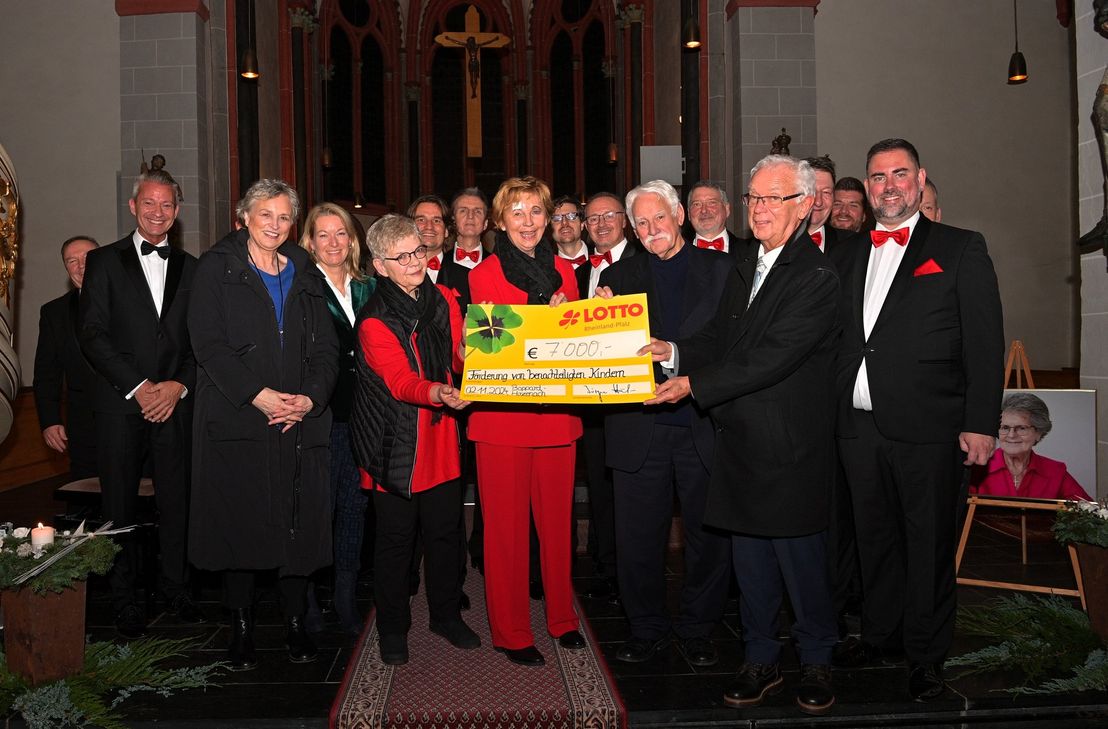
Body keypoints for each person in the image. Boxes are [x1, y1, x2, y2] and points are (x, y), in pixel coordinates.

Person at [642, 155, 840, 716]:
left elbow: (769, 359)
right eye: (753, 198)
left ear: (802, 207)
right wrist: (673, 351)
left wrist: (691, 385)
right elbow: (720, 337)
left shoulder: (816, 275)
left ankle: (818, 658)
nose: (758, 209)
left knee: (799, 561)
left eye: (771, 199)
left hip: (788, 446)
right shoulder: (746, 262)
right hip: (738, 440)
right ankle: (760, 657)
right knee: (750, 561)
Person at [829, 139, 1004, 701]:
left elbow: (983, 341)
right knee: (873, 540)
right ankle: (881, 635)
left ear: (920, 178)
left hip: (931, 428)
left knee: (927, 543)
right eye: (877, 177)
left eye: (899, 174)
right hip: (859, 428)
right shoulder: (848, 253)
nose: (888, 186)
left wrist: (982, 422)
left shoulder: (958, 248)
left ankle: (927, 655)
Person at [187, 179, 339, 671]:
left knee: (297, 526)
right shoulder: (216, 268)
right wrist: (259, 395)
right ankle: (242, 629)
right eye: (264, 215)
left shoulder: (305, 271)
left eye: (283, 217)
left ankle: (295, 623)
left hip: (297, 421)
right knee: (241, 526)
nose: (274, 225)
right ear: (243, 218)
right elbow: (207, 344)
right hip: (239, 418)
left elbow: (326, 350)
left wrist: (310, 398)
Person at [596, 180, 732, 667]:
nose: (652, 229)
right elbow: (598, 352)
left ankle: (698, 629)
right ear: (632, 230)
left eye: (659, 218)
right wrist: (576, 320)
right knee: (637, 539)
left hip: (703, 423)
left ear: (680, 214)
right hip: (638, 427)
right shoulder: (618, 277)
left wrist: (676, 357)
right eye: (642, 223)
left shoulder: (725, 269)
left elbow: (732, 346)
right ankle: (646, 628)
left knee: (708, 538)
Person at [350, 214, 479, 666]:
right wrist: (438, 392)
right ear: (379, 266)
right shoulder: (372, 321)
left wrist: (490, 352)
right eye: (401, 256)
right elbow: (400, 382)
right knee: (395, 543)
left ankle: (445, 615)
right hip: (393, 445)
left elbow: (465, 354)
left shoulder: (444, 297)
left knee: (446, 535)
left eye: (418, 251)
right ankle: (392, 628)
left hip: (441, 439)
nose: (414, 262)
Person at [468, 175, 585, 666]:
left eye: (537, 211)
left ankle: (562, 618)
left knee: (558, 527)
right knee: (506, 531)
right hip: (503, 423)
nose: (529, 222)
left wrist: (583, 316)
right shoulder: (483, 274)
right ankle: (511, 629)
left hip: (558, 419)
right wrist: (541, 313)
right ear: (500, 220)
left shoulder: (567, 271)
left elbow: (578, 350)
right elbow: (487, 349)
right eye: (517, 212)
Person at [79, 169, 201, 639]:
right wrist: (140, 387)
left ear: (177, 210)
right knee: (119, 508)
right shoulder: (103, 261)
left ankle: (178, 589)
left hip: (175, 403)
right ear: (133, 207)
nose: (157, 212)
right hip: (121, 404)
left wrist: (175, 387)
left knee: (177, 502)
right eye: (149, 203)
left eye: (166, 205)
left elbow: (202, 343)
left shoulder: (193, 267)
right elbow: (92, 334)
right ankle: (125, 600)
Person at [298, 202, 376, 635]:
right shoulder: (300, 289)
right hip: (318, 417)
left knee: (353, 508)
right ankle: (309, 597)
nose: (333, 242)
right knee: (316, 509)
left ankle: (345, 596)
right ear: (309, 242)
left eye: (341, 233)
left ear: (353, 239)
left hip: (361, 417)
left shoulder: (369, 287)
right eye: (323, 234)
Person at [577, 190, 638, 602]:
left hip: (629, 394)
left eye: (609, 216)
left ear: (624, 221)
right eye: (593, 219)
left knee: (626, 487)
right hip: (589, 396)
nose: (600, 224)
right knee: (597, 480)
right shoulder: (582, 271)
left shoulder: (642, 262)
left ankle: (625, 569)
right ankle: (604, 561)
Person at [35, 235, 100, 479]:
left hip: (136, 422)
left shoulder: (134, 302)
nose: (81, 266)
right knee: (86, 499)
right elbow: (46, 373)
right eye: (72, 261)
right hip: (84, 428)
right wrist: (50, 420)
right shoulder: (54, 312)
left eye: (87, 258)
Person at [970, 393, 1089, 500]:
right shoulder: (977, 468)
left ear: (1039, 432)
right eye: (1005, 428)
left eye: (1021, 428)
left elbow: (1089, 513)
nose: (1011, 435)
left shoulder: (1055, 471)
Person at [687, 181, 739, 254]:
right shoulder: (675, 255)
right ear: (689, 213)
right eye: (697, 204)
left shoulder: (750, 251)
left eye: (712, 203)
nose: (704, 210)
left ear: (727, 209)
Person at [804, 157, 840, 252]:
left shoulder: (851, 244)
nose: (818, 202)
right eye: (811, 192)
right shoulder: (770, 241)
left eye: (826, 192)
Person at [450, 187, 490, 269]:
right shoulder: (439, 264)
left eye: (477, 211)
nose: (470, 216)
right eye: (463, 211)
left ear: (485, 223)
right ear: (454, 220)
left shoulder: (499, 265)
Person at [551, 195, 587, 267]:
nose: (564, 223)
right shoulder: (545, 267)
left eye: (571, 216)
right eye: (557, 218)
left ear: (582, 224)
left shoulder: (602, 258)